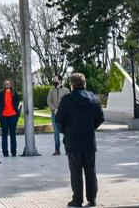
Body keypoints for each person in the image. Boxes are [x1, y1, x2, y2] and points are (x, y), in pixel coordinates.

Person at [56, 72, 104, 208]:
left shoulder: (66, 100)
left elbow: (59, 121)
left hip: (73, 141)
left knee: (75, 172)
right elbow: (100, 118)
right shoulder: (94, 98)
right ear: (85, 83)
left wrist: (65, 131)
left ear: (72, 85)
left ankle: (77, 200)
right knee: (90, 171)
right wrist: (91, 128)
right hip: (89, 140)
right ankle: (92, 198)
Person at [0, 79, 22, 157]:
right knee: (4, 134)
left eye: (8, 83)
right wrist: (1, 109)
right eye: (6, 83)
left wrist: (15, 109)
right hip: (3, 116)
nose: (7, 84)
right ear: (4, 84)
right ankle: (5, 152)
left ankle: (13, 152)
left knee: (13, 134)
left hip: (13, 116)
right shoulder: (0, 93)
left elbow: (17, 102)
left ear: (11, 84)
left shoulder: (14, 93)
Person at [47, 76, 70, 156]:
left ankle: (67, 149)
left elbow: (68, 101)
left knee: (66, 132)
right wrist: (54, 109)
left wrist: (61, 110)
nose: (54, 81)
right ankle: (57, 149)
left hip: (64, 114)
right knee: (56, 132)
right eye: (53, 80)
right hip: (54, 114)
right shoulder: (51, 90)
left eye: (56, 80)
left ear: (60, 80)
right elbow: (48, 101)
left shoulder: (66, 90)